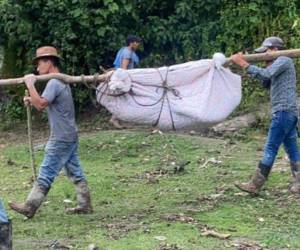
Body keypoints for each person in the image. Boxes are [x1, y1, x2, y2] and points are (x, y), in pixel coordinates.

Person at [9, 46, 92, 218]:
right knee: (74, 170)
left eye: (39, 64)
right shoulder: (61, 82)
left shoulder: (54, 82)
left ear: (49, 62)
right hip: (69, 134)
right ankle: (85, 204)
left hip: (61, 137)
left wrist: (30, 84)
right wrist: (30, 99)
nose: (38, 69)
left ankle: (30, 206)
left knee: (46, 171)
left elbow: (40, 105)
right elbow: (42, 101)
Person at [231, 36, 300, 195]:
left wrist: (243, 63)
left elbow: (266, 74)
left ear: (275, 50)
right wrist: (246, 65)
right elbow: (265, 80)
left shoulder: (284, 60)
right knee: (292, 149)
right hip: (288, 112)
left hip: (283, 112)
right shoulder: (277, 66)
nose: (265, 58)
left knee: (271, 147)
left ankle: (255, 185)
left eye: (265, 53)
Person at [109, 35, 142, 128]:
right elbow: (123, 69)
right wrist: (126, 82)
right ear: (132, 43)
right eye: (137, 42)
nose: (138, 44)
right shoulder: (127, 52)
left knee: (124, 100)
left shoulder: (127, 51)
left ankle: (115, 118)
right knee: (126, 99)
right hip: (124, 79)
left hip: (125, 78)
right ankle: (115, 119)